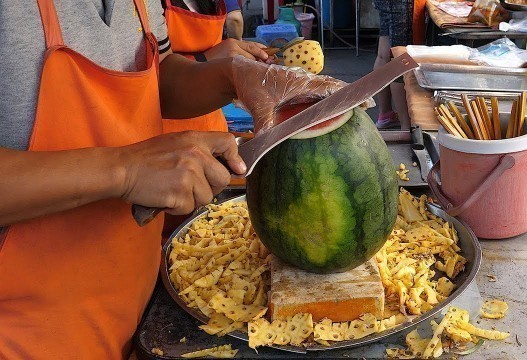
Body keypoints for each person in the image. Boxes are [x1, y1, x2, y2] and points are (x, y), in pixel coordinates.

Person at [0, 1, 343, 358]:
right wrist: (124, 169)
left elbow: (158, 76)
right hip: (24, 331)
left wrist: (231, 77)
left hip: (133, 299)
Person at [162, 0, 266, 133]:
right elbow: (154, 81)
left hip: (214, 131)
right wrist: (206, 60)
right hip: (166, 137)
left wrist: (238, 58)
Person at [373, 0, 416, 130]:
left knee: (384, 54)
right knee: (401, 58)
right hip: (400, 3)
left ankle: (385, 115)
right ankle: (406, 127)